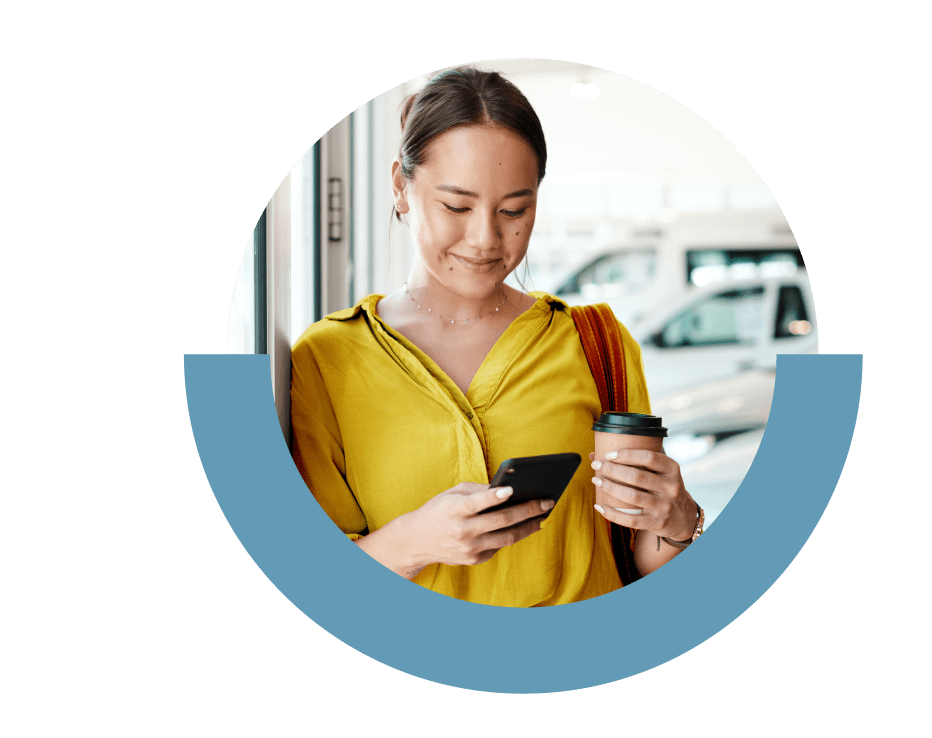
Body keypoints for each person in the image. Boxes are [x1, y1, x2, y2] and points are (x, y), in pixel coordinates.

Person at [290, 67, 702, 607]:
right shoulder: (327, 358)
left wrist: (677, 518)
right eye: (456, 206)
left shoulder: (597, 342)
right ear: (401, 187)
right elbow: (313, 586)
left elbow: (642, 559)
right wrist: (414, 542)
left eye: (515, 209)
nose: (486, 239)